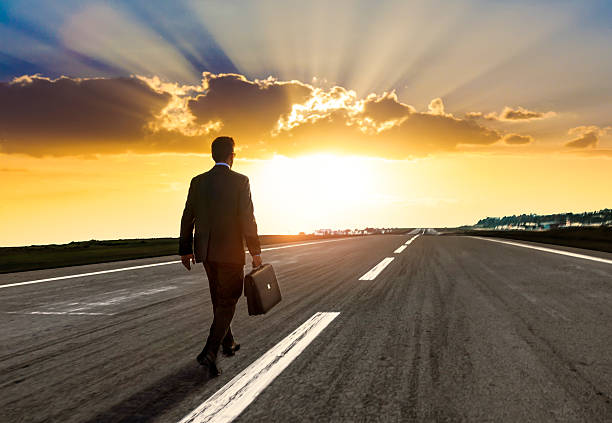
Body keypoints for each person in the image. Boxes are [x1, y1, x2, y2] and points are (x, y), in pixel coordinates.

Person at [179, 136, 262, 377]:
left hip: (205, 251)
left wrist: (185, 249)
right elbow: (248, 218)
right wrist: (255, 251)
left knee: (219, 297)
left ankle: (228, 343)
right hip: (230, 252)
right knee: (228, 299)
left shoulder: (198, 181)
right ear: (231, 156)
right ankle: (210, 350)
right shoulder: (240, 181)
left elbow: (188, 217)